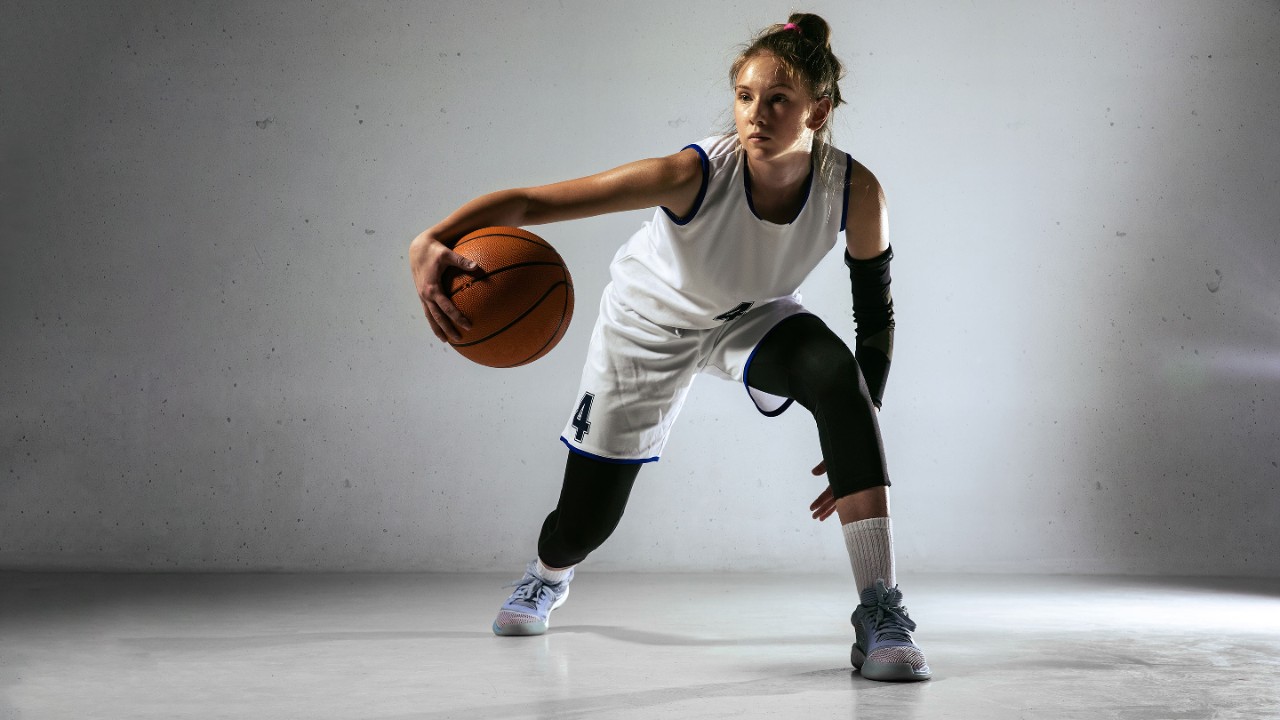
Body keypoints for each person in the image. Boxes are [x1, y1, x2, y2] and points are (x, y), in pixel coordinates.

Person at [409, 13, 930, 682]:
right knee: (585, 523)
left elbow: (875, 314)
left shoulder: (855, 191)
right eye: (745, 95)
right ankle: (548, 573)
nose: (756, 113)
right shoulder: (695, 175)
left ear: (818, 111)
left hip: (749, 315)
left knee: (837, 375)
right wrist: (431, 239)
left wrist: (859, 423)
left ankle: (880, 614)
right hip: (646, 324)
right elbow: (536, 202)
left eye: (778, 100)